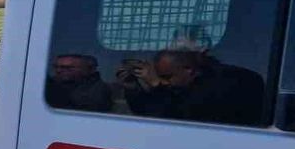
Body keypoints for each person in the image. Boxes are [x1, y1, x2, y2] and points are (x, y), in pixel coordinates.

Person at [121, 49, 268, 127]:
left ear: (188, 70)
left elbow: (175, 118)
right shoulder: (179, 87)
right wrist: (132, 88)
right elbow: (148, 113)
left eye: (167, 77)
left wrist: (156, 84)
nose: (165, 82)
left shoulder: (226, 83)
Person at [46, 54, 114, 112]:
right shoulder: (51, 84)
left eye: (67, 67)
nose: (58, 70)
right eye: (56, 67)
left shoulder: (99, 89)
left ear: (86, 69)